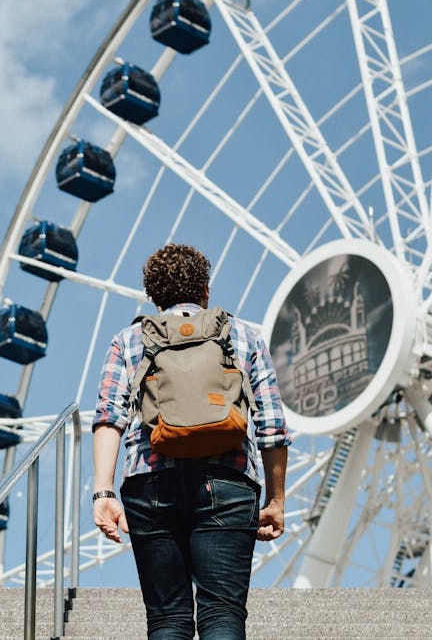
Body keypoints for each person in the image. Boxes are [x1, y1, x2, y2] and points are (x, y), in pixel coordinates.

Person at [92, 243, 291, 640]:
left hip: (149, 484)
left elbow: (109, 418)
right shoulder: (243, 337)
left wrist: (103, 493)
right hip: (228, 482)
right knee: (222, 615)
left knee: (168, 619)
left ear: (153, 296)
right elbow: (271, 425)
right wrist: (276, 500)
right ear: (205, 290)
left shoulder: (129, 340)